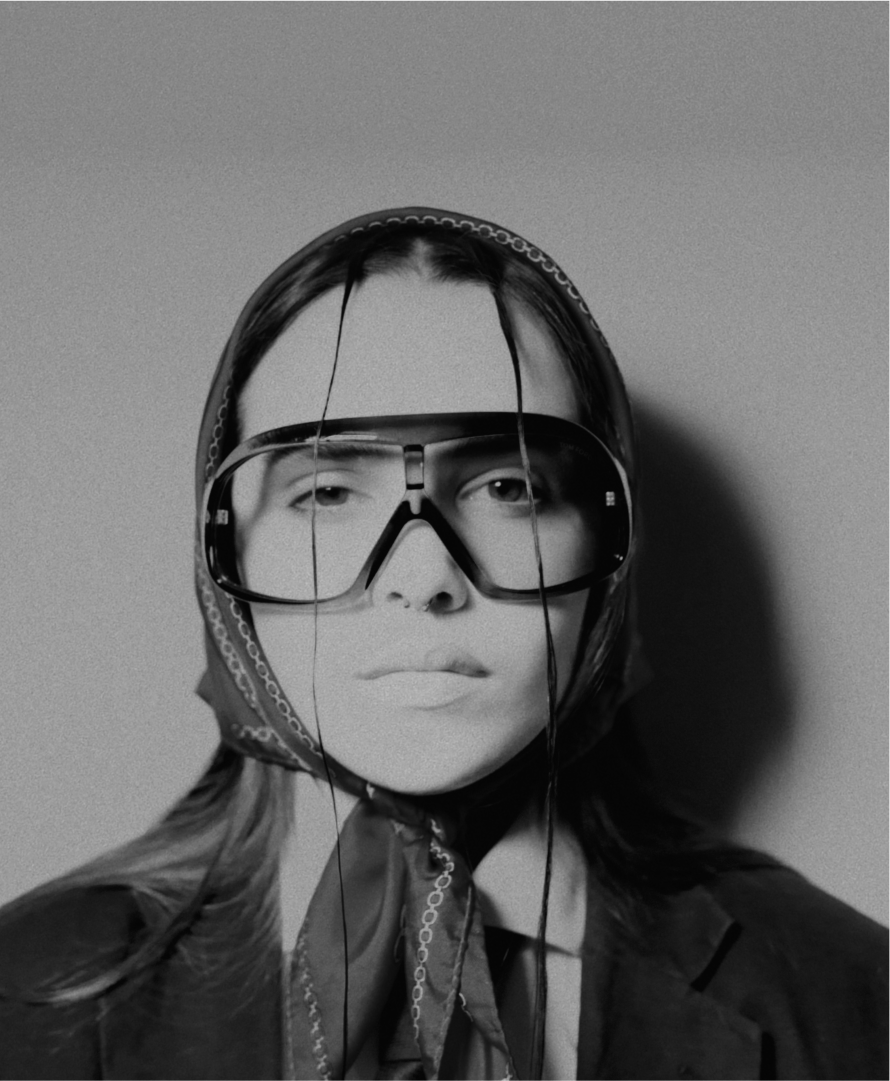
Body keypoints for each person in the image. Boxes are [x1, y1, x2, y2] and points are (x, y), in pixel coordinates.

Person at [1, 207, 889, 1081]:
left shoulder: (852, 1000)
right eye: (326, 492)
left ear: (608, 545)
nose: (422, 574)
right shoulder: (20, 995)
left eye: (508, 485)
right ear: (223, 551)